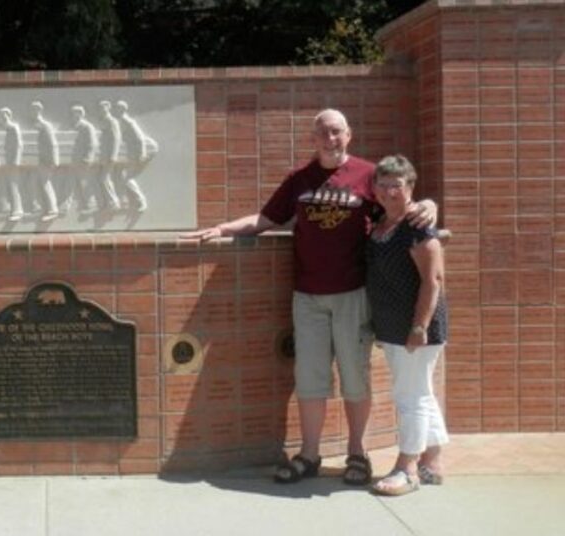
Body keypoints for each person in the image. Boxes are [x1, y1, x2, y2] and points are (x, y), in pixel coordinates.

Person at [181, 109, 437, 485]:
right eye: (322, 133)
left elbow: (402, 205)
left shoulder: (368, 175)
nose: (329, 139)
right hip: (308, 295)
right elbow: (265, 219)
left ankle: (356, 454)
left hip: (353, 293)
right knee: (310, 379)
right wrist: (220, 228)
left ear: (348, 134)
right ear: (313, 139)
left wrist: (429, 205)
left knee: (355, 378)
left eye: (336, 132)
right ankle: (309, 454)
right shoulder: (299, 179)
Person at [366, 155, 449, 496]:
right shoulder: (380, 221)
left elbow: (434, 281)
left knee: (409, 396)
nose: (388, 192)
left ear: (410, 187)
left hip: (416, 328)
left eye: (396, 186)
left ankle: (407, 468)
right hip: (392, 325)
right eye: (382, 185)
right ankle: (433, 462)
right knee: (421, 392)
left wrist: (419, 326)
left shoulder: (417, 226)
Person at [114, 100, 155, 212]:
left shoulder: (128, 121)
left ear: (122, 110)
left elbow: (140, 138)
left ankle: (140, 201)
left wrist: (142, 154)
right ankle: (123, 203)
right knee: (119, 177)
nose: (115, 110)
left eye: (117, 108)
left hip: (133, 155)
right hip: (124, 155)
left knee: (125, 178)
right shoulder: (119, 120)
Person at [30, 101, 60, 222]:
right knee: (36, 182)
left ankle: (53, 210)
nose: (31, 113)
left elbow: (53, 144)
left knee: (45, 184)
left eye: (34, 110)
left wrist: (54, 161)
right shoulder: (37, 125)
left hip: (47, 161)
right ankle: (41, 208)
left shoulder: (45, 125)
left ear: (38, 111)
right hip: (40, 160)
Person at [0, 107, 25, 221]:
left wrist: (16, 162)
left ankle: (18, 210)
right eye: (0, 117)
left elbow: (19, 145)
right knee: (5, 184)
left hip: (13, 163)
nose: (2, 118)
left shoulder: (13, 128)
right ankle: (6, 208)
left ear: (9, 116)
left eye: (4, 116)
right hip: (7, 162)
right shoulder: (6, 130)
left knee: (13, 186)